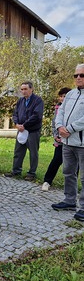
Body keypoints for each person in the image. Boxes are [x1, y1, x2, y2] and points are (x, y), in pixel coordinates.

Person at [52, 64, 84, 221]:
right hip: (67, 141)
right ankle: (69, 201)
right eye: (76, 75)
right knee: (68, 172)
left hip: (82, 143)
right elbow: (61, 111)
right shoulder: (70, 94)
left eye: (82, 75)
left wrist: (70, 128)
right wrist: (59, 127)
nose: (78, 77)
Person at [4, 81, 44, 181]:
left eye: (25, 89)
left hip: (32, 131)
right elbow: (15, 114)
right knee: (18, 151)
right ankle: (16, 171)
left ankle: (31, 173)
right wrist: (17, 124)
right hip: (21, 130)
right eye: (22, 89)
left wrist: (25, 125)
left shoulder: (38, 100)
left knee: (33, 153)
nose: (23, 91)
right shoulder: (20, 101)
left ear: (31, 89)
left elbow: (37, 115)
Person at [41, 87, 71, 191]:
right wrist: (55, 135)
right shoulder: (57, 108)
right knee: (56, 161)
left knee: (73, 165)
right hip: (60, 140)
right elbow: (54, 124)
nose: (63, 98)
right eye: (61, 96)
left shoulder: (74, 108)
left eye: (65, 96)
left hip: (71, 140)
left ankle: (71, 186)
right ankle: (47, 181)